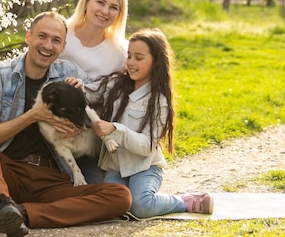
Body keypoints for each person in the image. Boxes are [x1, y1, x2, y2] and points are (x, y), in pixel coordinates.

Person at [0, 11, 132, 237]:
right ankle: (1, 203)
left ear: (63, 47)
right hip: (6, 172)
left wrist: (82, 106)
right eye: (42, 36)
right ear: (28, 37)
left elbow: (101, 98)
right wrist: (34, 116)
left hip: (51, 179)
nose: (47, 45)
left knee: (120, 197)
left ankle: (21, 214)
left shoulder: (70, 73)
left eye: (55, 40)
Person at [0, 0, 130, 183]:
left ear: (120, 12)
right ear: (87, 1)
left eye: (113, 7)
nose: (104, 11)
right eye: (100, 2)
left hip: (88, 133)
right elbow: (30, 58)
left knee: (113, 195)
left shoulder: (121, 52)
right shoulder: (61, 32)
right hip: (50, 133)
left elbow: (131, 92)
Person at [87, 28, 213, 218]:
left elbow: (147, 147)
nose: (130, 62)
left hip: (145, 166)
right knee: (112, 205)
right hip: (115, 167)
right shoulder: (114, 84)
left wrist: (115, 129)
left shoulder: (159, 100)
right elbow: (89, 93)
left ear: (155, 61)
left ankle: (185, 201)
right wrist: (74, 85)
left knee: (142, 206)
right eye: (129, 56)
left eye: (139, 57)